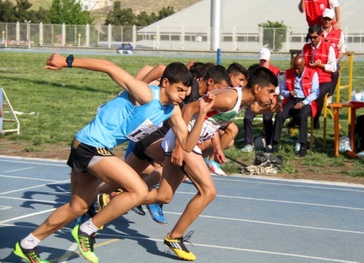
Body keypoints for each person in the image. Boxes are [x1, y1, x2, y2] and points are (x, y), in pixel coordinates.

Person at [13, 53, 216, 263]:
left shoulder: (172, 111)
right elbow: (109, 66)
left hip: (90, 147)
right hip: (91, 144)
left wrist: (201, 114)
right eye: (180, 90)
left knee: (78, 207)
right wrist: (68, 61)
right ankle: (88, 229)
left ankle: (27, 244)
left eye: (186, 92)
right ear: (166, 82)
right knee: (138, 190)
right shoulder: (146, 94)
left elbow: (187, 145)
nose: (183, 95)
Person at [141, 67, 280, 261]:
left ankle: (117, 199)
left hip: (188, 142)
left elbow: (255, 109)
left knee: (163, 196)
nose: (273, 95)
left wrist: (271, 108)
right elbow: (189, 109)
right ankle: (174, 237)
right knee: (208, 192)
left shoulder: (242, 99)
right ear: (257, 88)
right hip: (185, 141)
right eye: (270, 91)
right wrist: (180, 146)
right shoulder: (230, 98)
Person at [97, 63, 232, 225]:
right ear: (210, 82)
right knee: (172, 171)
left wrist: (217, 146)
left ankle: (91, 200)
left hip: (151, 136)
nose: (219, 94)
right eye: (219, 89)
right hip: (155, 138)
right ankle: (143, 198)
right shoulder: (190, 89)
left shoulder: (204, 100)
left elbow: (213, 125)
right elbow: (161, 69)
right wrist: (137, 93)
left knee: (113, 183)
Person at [270, 54, 319, 157]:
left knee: (302, 116)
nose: (296, 71)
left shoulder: (313, 74)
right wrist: (288, 93)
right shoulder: (288, 73)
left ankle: (303, 145)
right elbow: (282, 90)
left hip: (306, 100)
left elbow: (315, 93)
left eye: (298, 69)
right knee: (280, 115)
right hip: (292, 99)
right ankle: (274, 143)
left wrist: (303, 103)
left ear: (304, 65)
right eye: (294, 68)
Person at [241, 48, 281, 152]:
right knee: (247, 118)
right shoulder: (255, 71)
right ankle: (249, 143)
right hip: (255, 101)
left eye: (265, 61)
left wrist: (270, 95)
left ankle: (269, 143)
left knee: (267, 119)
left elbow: (278, 89)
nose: (263, 63)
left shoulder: (275, 71)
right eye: (261, 60)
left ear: (269, 60)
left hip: (269, 100)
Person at [302, 25, 337, 129]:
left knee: (319, 93)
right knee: (299, 91)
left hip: (324, 79)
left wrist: (320, 65)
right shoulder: (305, 48)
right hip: (309, 79)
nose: (312, 40)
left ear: (320, 35)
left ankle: (315, 119)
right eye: (311, 37)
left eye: (315, 37)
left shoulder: (328, 47)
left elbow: (334, 68)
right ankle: (297, 118)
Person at [321, 8, 346, 97]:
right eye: (325, 18)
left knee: (335, 72)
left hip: (332, 61)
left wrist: (337, 60)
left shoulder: (339, 32)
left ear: (332, 20)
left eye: (329, 19)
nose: (327, 21)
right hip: (319, 60)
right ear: (322, 19)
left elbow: (342, 50)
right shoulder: (317, 32)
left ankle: (330, 95)